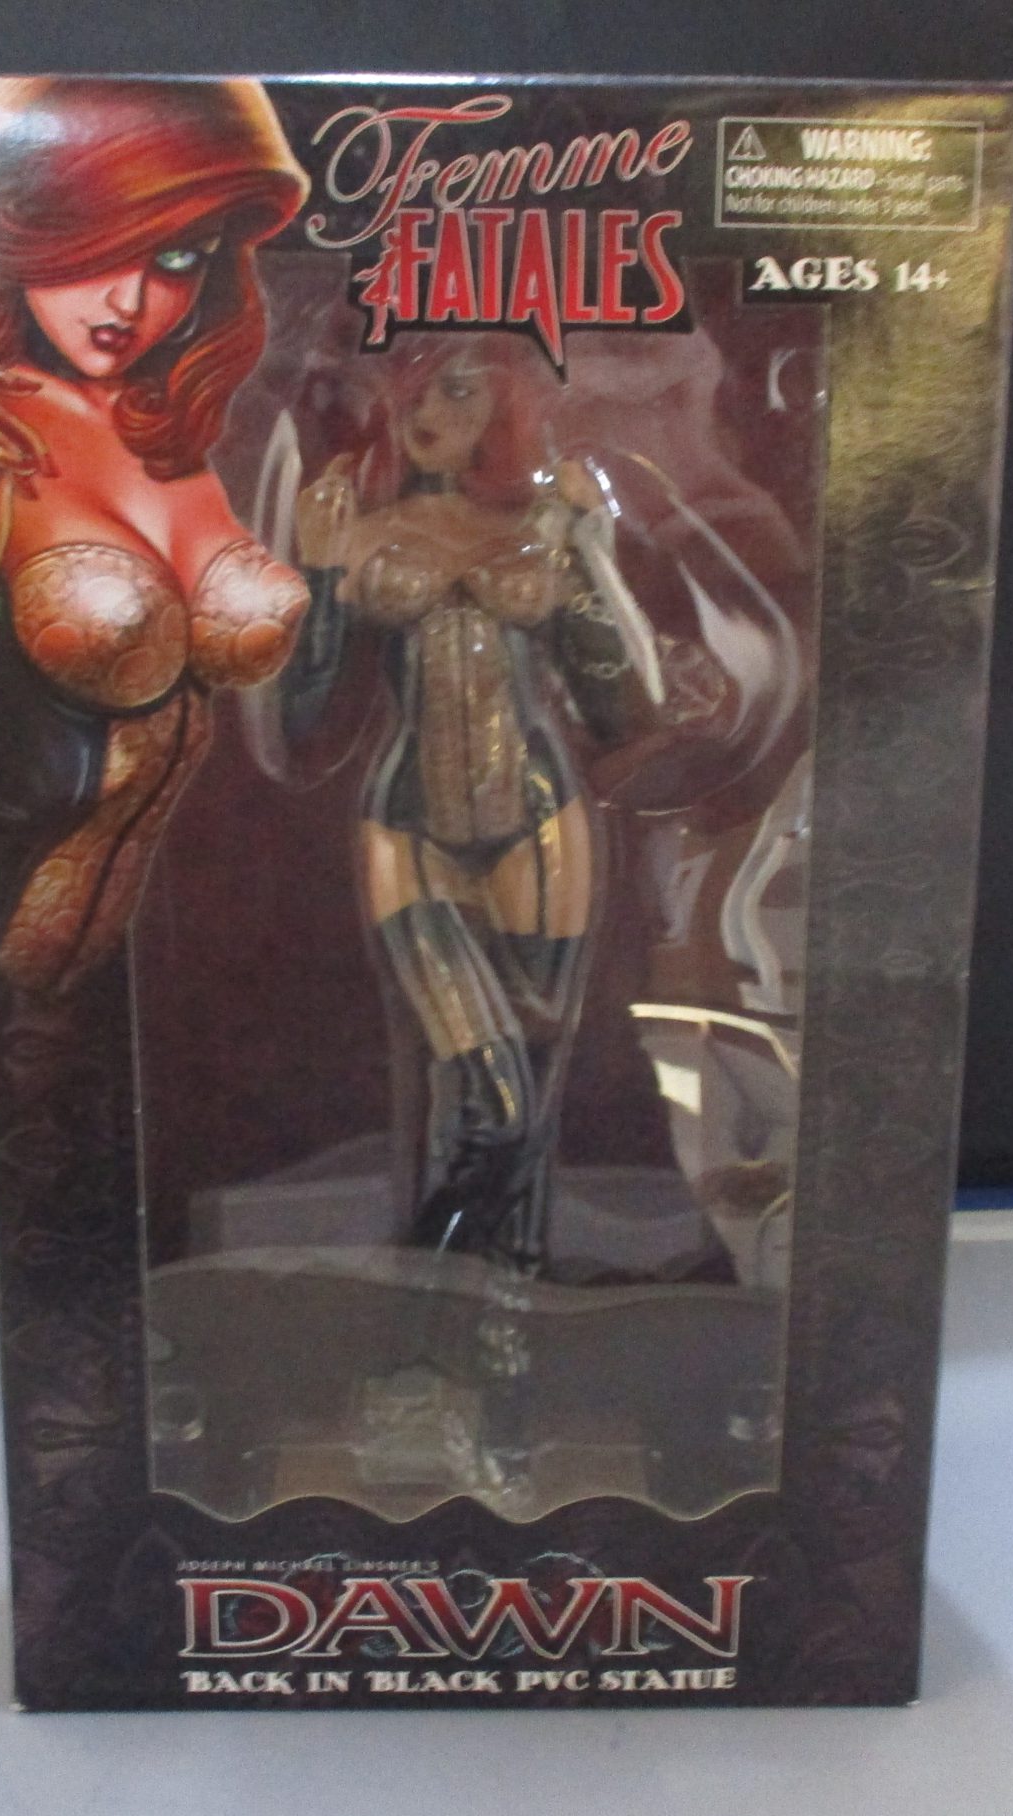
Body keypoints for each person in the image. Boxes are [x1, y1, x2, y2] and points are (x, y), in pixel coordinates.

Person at [286, 339, 705, 1272]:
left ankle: (500, 1298)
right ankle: (440, 1278)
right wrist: (316, 574)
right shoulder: (359, 532)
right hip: (408, 828)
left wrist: (592, 552)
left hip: (541, 823)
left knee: (531, 1095)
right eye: (413, 393)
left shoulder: (548, 527)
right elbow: (301, 716)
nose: (427, 413)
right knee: (495, 1095)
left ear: (502, 411)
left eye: (458, 393)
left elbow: (618, 707)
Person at [0, 77, 310, 1004]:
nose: (131, 299)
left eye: (179, 257)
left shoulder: (161, 425)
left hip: (123, 987)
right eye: (96, 247)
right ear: (17, 228)